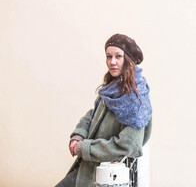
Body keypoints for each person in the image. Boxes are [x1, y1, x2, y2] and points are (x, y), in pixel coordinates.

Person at [56, 34, 152, 187]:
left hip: (112, 176)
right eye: (109, 56)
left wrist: (86, 148)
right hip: (89, 168)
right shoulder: (112, 88)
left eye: (118, 56)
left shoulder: (136, 98)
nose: (112, 62)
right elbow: (94, 114)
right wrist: (79, 135)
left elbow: (129, 145)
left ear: (129, 60)